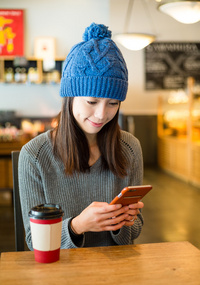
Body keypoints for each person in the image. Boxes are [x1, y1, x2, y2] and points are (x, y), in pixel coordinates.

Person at [18, 23, 144, 250]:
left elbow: (133, 233)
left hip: (118, 272)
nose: (101, 114)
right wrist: (77, 226)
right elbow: (34, 240)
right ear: (70, 97)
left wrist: (121, 222)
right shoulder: (34, 155)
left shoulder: (130, 147)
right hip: (62, 274)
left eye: (113, 103)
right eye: (92, 102)